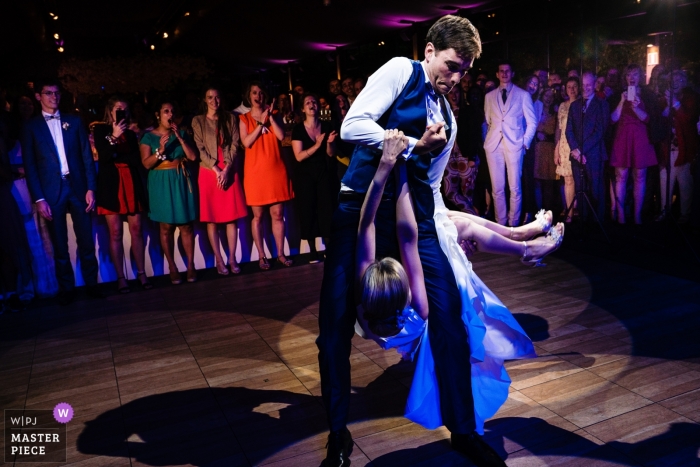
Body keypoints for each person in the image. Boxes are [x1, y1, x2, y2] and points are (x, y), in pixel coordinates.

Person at [318, 14, 511, 467]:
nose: (456, 76)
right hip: (361, 206)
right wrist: (408, 146)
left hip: (415, 215)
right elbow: (352, 126)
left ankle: (463, 428)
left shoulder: (447, 114)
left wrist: (447, 229)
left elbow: (433, 185)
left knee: (448, 316)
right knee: (335, 327)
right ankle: (337, 435)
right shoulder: (399, 71)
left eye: (463, 69)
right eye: (451, 64)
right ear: (428, 51)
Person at [355, 130, 559, 458]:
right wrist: (401, 169)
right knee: (446, 229)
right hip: (424, 339)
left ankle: (519, 237)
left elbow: (365, 226)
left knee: (447, 220)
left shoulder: (365, 302)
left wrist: (385, 168)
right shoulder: (418, 306)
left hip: (392, 320)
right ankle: (521, 243)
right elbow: (408, 237)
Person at [21, 79, 102, 306]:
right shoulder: (31, 126)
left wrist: (90, 188)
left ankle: (92, 286)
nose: (54, 97)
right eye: (48, 93)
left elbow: (86, 156)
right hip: (50, 191)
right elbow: (30, 165)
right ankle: (67, 289)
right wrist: (38, 198)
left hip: (77, 187)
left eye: (56, 93)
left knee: (86, 240)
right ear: (39, 96)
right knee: (59, 245)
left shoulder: (74, 121)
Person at [93, 96, 151, 293]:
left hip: (131, 182)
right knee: (115, 232)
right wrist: (115, 137)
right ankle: (121, 277)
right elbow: (105, 156)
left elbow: (135, 160)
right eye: (118, 109)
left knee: (136, 229)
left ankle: (142, 273)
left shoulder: (132, 134)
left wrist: (118, 152)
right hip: (111, 185)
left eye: (125, 110)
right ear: (110, 111)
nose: (122, 112)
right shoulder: (101, 130)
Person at [140, 99, 198, 284]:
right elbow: (146, 164)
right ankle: (172, 267)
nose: (170, 115)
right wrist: (161, 150)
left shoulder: (181, 133)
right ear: (158, 115)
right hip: (160, 180)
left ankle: (190, 266)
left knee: (186, 225)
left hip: (180, 178)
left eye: (172, 111)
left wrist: (180, 138)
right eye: (166, 111)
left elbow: (193, 157)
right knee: (166, 227)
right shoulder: (148, 137)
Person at [239, 82, 294, 270]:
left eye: (261, 92)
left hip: (275, 169)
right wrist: (260, 122)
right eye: (254, 92)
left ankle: (280, 254)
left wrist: (269, 118)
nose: (258, 95)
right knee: (258, 216)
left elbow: (280, 136)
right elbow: (246, 142)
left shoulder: (275, 115)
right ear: (249, 96)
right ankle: (262, 256)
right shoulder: (244, 118)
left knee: (278, 214)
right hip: (255, 173)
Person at [193, 87, 248, 275]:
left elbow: (234, 145)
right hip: (209, 172)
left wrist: (226, 170)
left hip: (228, 170)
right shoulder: (198, 121)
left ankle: (232, 259)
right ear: (204, 100)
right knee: (212, 220)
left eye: (217, 97)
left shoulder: (230, 118)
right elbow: (199, 149)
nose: (214, 101)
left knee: (231, 218)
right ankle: (219, 260)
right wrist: (217, 170)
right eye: (210, 97)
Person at [484, 61, 537, 226]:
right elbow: (488, 120)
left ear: (512, 73)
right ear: (497, 74)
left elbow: (532, 122)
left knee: (515, 187)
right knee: (497, 188)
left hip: (514, 145)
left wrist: (524, 143)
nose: (504, 74)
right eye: (501, 71)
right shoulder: (489, 96)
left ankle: (513, 224)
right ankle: (500, 223)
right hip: (494, 146)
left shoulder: (523, 95)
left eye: (507, 71)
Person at [291, 94, 338, 263]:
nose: (312, 104)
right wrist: (317, 144)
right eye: (307, 102)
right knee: (308, 209)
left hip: (323, 171)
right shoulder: (298, 129)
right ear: (303, 109)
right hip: (304, 174)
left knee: (326, 208)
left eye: (314, 102)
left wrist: (329, 143)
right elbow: (298, 156)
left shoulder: (326, 125)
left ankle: (328, 247)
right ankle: (312, 250)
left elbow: (331, 154)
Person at [609, 64, 658, 224]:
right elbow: (613, 119)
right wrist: (622, 101)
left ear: (640, 77)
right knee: (621, 176)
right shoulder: (617, 95)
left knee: (640, 177)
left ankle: (637, 215)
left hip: (640, 139)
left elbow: (649, 119)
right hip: (622, 138)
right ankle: (621, 215)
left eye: (635, 74)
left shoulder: (648, 95)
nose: (631, 77)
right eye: (629, 74)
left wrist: (636, 107)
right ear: (625, 77)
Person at [566, 72, 610, 223]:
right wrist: (576, 150)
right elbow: (568, 130)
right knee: (580, 190)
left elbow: (600, 131)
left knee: (596, 190)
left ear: (595, 84)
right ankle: (583, 222)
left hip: (594, 154)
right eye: (583, 85)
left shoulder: (602, 104)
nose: (585, 88)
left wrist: (581, 150)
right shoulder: (574, 105)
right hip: (577, 156)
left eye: (588, 85)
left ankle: (598, 222)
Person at [657, 70, 698, 224]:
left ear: (685, 82)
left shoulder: (691, 98)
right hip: (667, 148)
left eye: (679, 80)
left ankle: (684, 214)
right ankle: (664, 210)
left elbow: (688, 118)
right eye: (673, 80)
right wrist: (668, 103)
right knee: (665, 180)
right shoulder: (663, 99)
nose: (676, 83)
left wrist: (675, 103)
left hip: (685, 148)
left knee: (685, 182)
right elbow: (661, 119)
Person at [555, 77, 580, 222]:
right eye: (569, 86)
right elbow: (559, 129)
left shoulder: (583, 104)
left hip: (578, 145)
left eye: (574, 86)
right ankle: (569, 213)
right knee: (568, 180)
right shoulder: (562, 106)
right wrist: (556, 149)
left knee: (580, 179)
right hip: (564, 145)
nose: (571, 89)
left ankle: (579, 210)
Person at [522, 75, 543, 223]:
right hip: (513, 141)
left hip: (529, 144)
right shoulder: (515, 96)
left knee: (528, 177)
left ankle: (529, 211)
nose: (532, 86)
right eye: (531, 82)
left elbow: (533, 123)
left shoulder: (538, 104)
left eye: (536, 84)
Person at [533, 88, 558, 211]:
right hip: (538, 149)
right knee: (537, 181)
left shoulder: (556, 112)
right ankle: (539, 211)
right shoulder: (536, 110)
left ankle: (548, 211)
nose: (548, 98)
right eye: (546, 95)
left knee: (549, 183)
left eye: (551, 96)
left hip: (550, 149)